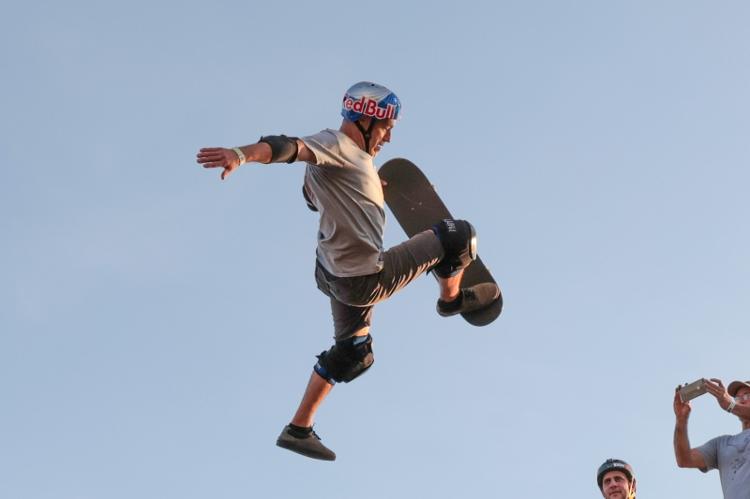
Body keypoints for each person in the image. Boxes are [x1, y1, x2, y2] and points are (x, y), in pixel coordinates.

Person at [196, 81, 500, 461]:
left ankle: (298, 428)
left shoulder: (349, 161)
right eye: (387, 127)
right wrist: (241, 155)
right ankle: (451, 300)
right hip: (364, 279)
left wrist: (369, 183)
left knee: (355, 352)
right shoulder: (335, 145)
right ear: (367, 119)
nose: (389, 137)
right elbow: (286, 147)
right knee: (459, 235)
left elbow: (313, 196)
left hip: (330, 274)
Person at [673, 378, 750, 498]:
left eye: (747, 396)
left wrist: (730, 405)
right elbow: (684, 459)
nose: (742, 401)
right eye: (738, 399)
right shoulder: (722, 444)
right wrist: (681, 419)